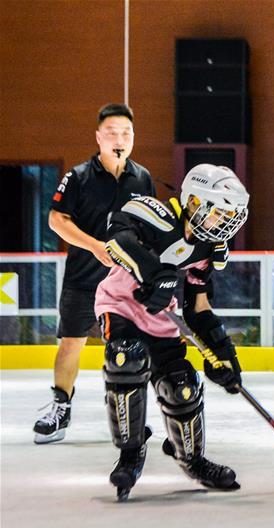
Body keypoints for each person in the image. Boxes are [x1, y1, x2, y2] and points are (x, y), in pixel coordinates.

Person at [96, 163, 249, 500]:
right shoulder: (156, 215)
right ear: (194, 202)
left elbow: (199, 307)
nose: (224, 223)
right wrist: (155, 274)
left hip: (161, 321)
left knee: (182, 388)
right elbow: (117, 239)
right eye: (219, 213)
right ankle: (130, 453)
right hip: (120, 305)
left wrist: (222, 353)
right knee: (125, 357)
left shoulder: (209, 250)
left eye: (230, 216)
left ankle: (192, 459)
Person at [33, 103, 155, 444]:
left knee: (127, 349)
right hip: (83, 279)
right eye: (113, 132)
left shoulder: (141, 178)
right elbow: (56, 220)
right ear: (99, 136)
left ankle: (127, 415)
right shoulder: (79, 176)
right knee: (71, 343)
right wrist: (94, 247)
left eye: (126, 133)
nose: (120, 139)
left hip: (124, 286)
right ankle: (60, 407)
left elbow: (152, 227)